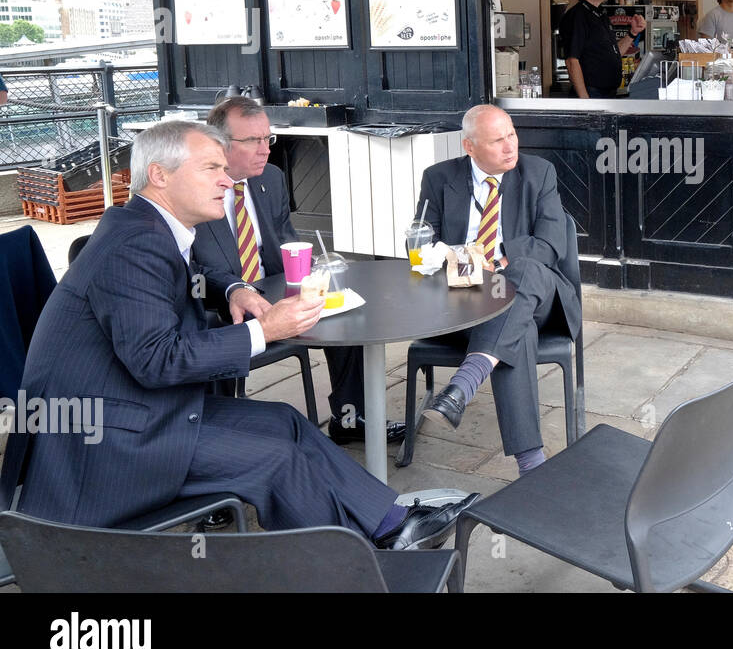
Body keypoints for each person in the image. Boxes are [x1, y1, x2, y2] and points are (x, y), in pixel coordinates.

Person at [0, 121, 474, 550]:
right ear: (160, 175)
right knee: (273, 459)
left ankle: (393, 523)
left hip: (133, 411)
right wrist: (263, 330)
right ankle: (352, 567)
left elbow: (161, 327)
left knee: (284, 421)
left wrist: (235, 297)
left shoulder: (147, 228)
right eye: (212, 168)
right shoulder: (136, 244)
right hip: (105, 444)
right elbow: (157, 360)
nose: (228, 181)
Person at [191, 96, 404, 445]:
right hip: (222, 305)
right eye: (253, 141)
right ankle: (218, 434)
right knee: (209, 332)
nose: (265, 150)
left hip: (274, 290)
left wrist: (315, 273)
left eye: (268, 139)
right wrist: (234, 288)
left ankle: (350, 419)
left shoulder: (270, 178)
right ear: (221, 145)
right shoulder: (198, 192)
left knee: (345, 310)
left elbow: (285, 241)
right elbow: (190, 268)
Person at [417, 105, 580, 476]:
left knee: (523, 272)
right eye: (497, 141)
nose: (511, 147)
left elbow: (552, 244)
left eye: (512, 135)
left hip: (539, 295)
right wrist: (463, 261)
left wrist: (500, 263)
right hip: (468, 298)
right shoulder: (439, 178)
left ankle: (464, 381)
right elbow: (423, 245)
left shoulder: (539, 174)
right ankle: (531, 465)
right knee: (513, 328)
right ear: (470, 147)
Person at [559, 0, 645, 99]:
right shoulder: (577, 16)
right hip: (591, 94)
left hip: (608, 93)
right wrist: (585, 102)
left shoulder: (601, 15)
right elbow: (572, 61)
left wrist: (632, 33)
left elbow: (614, 53)